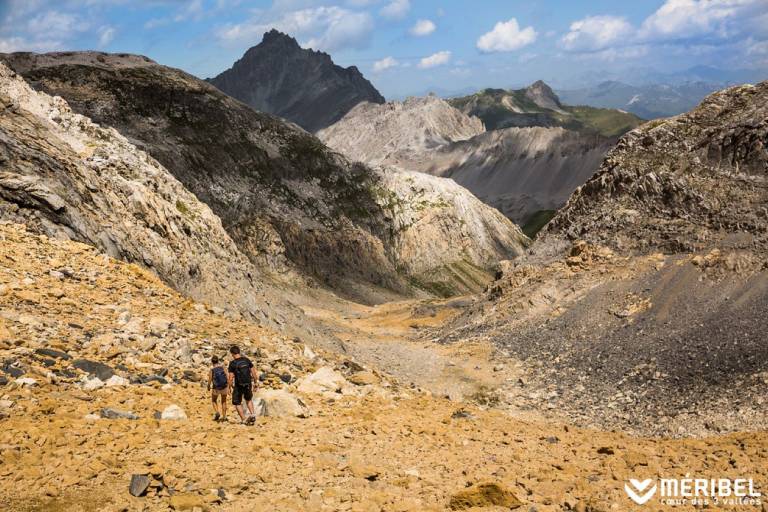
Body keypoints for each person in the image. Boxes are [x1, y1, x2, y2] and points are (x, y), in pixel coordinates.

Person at [228, 345, 259, 425]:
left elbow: (231, 378)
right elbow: (253, 372)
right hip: (248, 383)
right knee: (248, 399)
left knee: (237, 402)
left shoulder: (232, 363)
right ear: (239, 352)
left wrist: (229, 387)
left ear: (232, 354)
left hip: (238, 385)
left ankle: (243, 419)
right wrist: (255, 382)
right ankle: (252, 414)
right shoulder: (246, 360)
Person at [207, 355, 228, 422]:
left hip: (216, 388)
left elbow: (210, 379)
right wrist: (228, 385)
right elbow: (227, 376)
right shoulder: (223, 367)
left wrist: (208, 386)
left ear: (212, 362)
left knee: (213, 400)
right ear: (218, 361)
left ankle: (217, 412)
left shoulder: (212, 370)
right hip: (224, 386)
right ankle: (224, 417)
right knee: (224, 401)